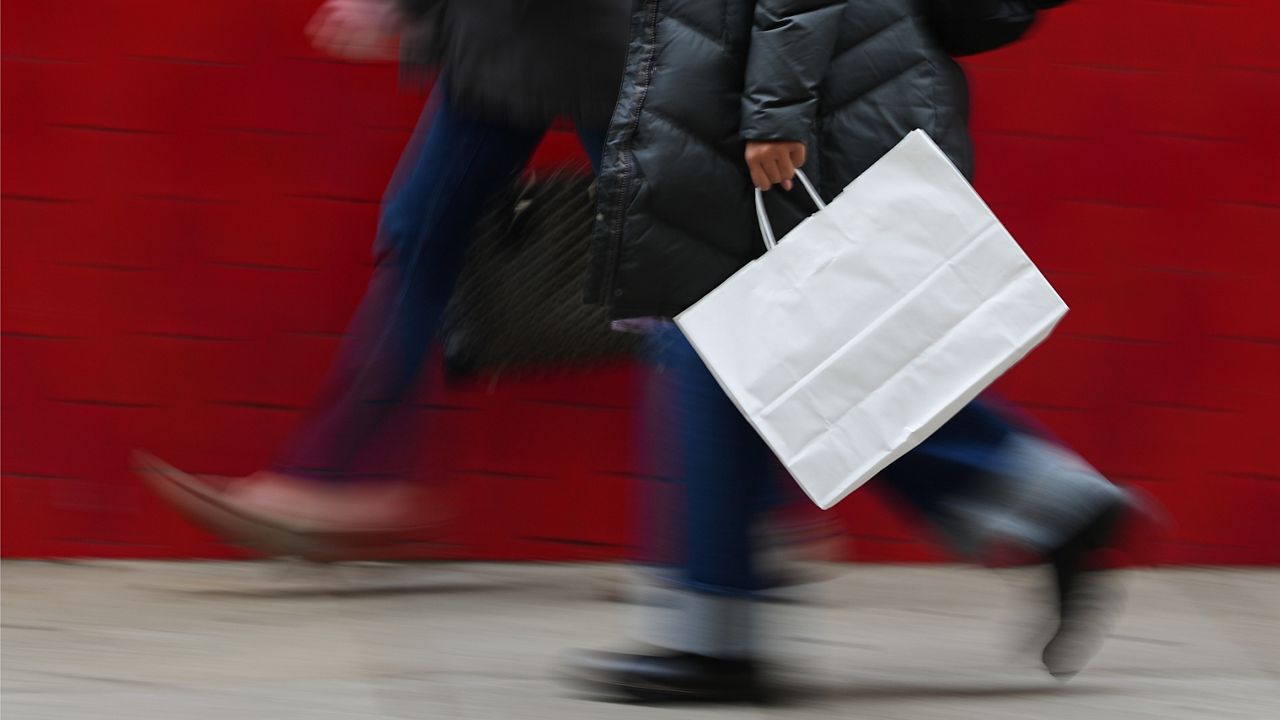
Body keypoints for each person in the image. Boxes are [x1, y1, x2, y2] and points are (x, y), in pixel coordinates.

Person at [568, 0, 1143, 702]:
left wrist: (775, 111)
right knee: (756, 342)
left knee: (719, 333)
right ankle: (1054, 504)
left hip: (803, 96)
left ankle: (716, 635)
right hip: (769, 79)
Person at [136, 0, 630, 554]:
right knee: (423, 230)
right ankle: (345, 472)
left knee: (664, 260)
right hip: (537, 38)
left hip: (577, 37)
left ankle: (729, 509)